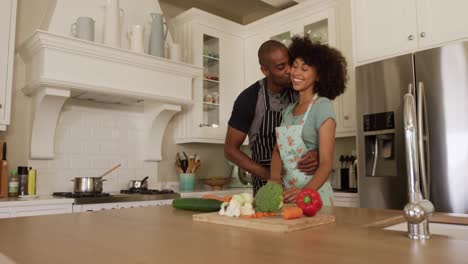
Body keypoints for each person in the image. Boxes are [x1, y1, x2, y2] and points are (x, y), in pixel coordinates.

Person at [225, 40, 319, 195]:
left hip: (300, 178)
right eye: (281, 67)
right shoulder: (249, 99)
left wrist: (315, 153)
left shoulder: (299, 92)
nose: (290, 71)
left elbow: (316, 132)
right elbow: (230, 150)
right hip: (265, 182)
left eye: (290, 63)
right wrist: (268, 175)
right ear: (265, 70)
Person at [270, 36, 348, 205]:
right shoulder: (288, 110)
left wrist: (305, 193)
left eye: (304, 69)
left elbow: (326, 163)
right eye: (295, 66)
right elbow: (277, 150)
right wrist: (275, 180)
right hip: (288, 196)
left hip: (313, 196)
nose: (296, 73)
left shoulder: (322, 106)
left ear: (318, 76)